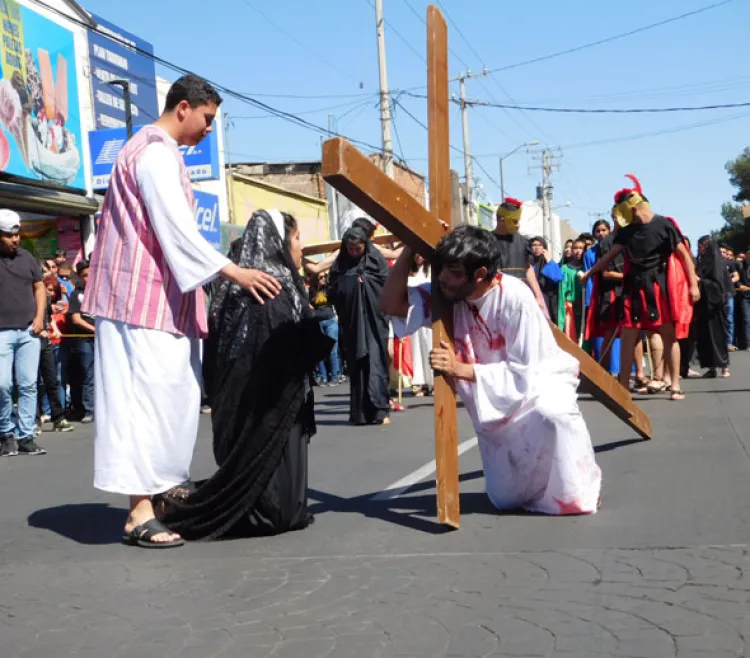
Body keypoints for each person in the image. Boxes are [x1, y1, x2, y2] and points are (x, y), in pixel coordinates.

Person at [83, 74, 283, 548]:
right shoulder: (153, 152)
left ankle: (162, 492)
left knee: (169, 397)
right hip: (138, 299)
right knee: (139, 403)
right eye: (208, 118)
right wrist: (233, 272)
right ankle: (138, 511)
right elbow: (175, 228)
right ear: (183, 108)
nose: (209, 129)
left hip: (159, 299)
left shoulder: (157, 152)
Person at [382, 226, 601, 514]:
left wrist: (461, 369)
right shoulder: (447, 295)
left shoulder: (515, 298)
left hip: (540, 389)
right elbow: (390, 303)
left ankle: (579, 486)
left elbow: (526, 374)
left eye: (455, 272)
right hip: (492, 401)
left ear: (481, 273)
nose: (444, 279)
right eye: (442, 270)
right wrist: (411, 246)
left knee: (555, 423)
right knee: (506, 499)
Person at [156, 210, 333, 540]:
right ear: (278, 243)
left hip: (278, 402)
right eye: (296, 238)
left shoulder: (273, 282)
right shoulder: (261, 289)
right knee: (272, 511)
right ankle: (182, 503)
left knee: (287, 508)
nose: (301, 246)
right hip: (262, 407)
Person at [582, 175, 699, 401]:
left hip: (659, 287)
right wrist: (589, 273)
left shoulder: (664, 224)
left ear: (634, 207)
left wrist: (693, 284)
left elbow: (684, 256)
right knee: (628, 336)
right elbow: (609, 256)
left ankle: (675, 385)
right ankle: (623, 387)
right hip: (633, 288)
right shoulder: (626, 232)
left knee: (668, 335)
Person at [328, 224, 391, 425]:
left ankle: (380, 410)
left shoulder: (376, 259)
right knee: (356, 365)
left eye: (358, 249)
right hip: (352, 323)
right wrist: (352, 284)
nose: (354, 252)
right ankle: (359, 414)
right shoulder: (340, 265)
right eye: (350, 249)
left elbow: (386, 283)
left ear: (366, 245)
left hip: (374, 321)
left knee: (376, 361)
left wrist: (366, 283)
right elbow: (333, 289)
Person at [0, 209, 47, 456]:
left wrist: (39, 317)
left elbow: (40, 288)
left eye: (16, 234)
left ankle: (26, 436)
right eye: (8, 235)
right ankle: (6, 432)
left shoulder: (27, 258)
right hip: (1, 334)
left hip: (29, 330)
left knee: (29, 384)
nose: (15, 239)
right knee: (2, 385)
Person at [492, 197, 547, 314]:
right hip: (496, 300)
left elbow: (528, 269)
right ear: (502, 220)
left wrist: (538, 296)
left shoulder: (523, 242)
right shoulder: (487, 241)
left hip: (521, 300)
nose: (518, 225)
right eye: (514, 221)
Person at [584, 218, 623, 376]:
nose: (600, 233)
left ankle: (630, 372)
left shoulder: (621, 242)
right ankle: (604, 372)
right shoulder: (592, 252)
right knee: (606, 332)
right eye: (597, 231)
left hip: (623, 291)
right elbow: (595, 275)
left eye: (603, 230)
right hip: (602, 293)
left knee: (629, 334)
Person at [35, 275, 74, 433]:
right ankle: (35, 420)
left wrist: (55, 330)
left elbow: (49, 319)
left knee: (52, 381)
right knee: (34, 383)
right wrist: (38, 330)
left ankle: (58, 418)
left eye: (53, 291)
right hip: (32, 343)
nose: (50, 293)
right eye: (48, 290)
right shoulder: (33, 301)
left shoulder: (47, 304)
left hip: (47, 345)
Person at [695, 237, 730, 378]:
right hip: (703, 304)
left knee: (717, 336)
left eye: (701, 246)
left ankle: (724, 366)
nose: (699, 249)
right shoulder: (701, 261)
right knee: (705, 337)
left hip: (715, 305)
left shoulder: (716, 263)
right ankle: (711, 367)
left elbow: (717, 286)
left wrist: (700, 281)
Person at [68, 261, 96, 423]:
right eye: (84, 275)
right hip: (84, 339)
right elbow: (76, 319)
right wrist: (95, 330)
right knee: (88, 374)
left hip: (102, 339)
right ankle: (89, 410)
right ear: (79, 277)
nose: (88, 278)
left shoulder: (103, 291)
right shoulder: (76, 294)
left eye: (90, 274)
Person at [309, 272, 342, 386]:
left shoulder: (329, 289)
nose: (323, 279)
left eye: (325, 276)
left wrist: (337, 315)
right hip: (317, 321)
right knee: (319, 351)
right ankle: (322, 376)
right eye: (320, 277)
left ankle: (335, 376)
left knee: (332, 349)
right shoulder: (311, 291)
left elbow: (337, 301)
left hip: (330, 320)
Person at [409, 253, 433, 396]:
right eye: (415, 253)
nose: (418, 256)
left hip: (429, 313)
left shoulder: (431, 270)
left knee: (430, 346)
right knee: (417, 350)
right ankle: (421, 382)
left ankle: (434, 381)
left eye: (420, 253)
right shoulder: (409, 272)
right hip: (414, 315)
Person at [529, 236, 563, 324]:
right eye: (534, 245)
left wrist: (549, 260)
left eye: (540, 245)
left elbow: (558, 277)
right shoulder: (528, 263)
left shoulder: (548, 262)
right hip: (531, 299)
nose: (537, 248)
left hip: (547, 300)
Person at [558, 238, 586, 342]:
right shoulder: (565, 268)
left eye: (581, 248)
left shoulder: (588, 267)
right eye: (575, 248)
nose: (578, 251)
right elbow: (561, 292)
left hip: (583, 306)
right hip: (569, 307)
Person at [720, 244, 740, 352]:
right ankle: (719, 343)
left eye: (724, 252)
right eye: (721, 252)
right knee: (718, 319)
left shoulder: (730, 264)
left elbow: (737, 277)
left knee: (729, 318)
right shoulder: (713, 264)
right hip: (717, 295)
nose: (722, 254)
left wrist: (727, 282)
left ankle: (729, 343)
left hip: (728, 294)